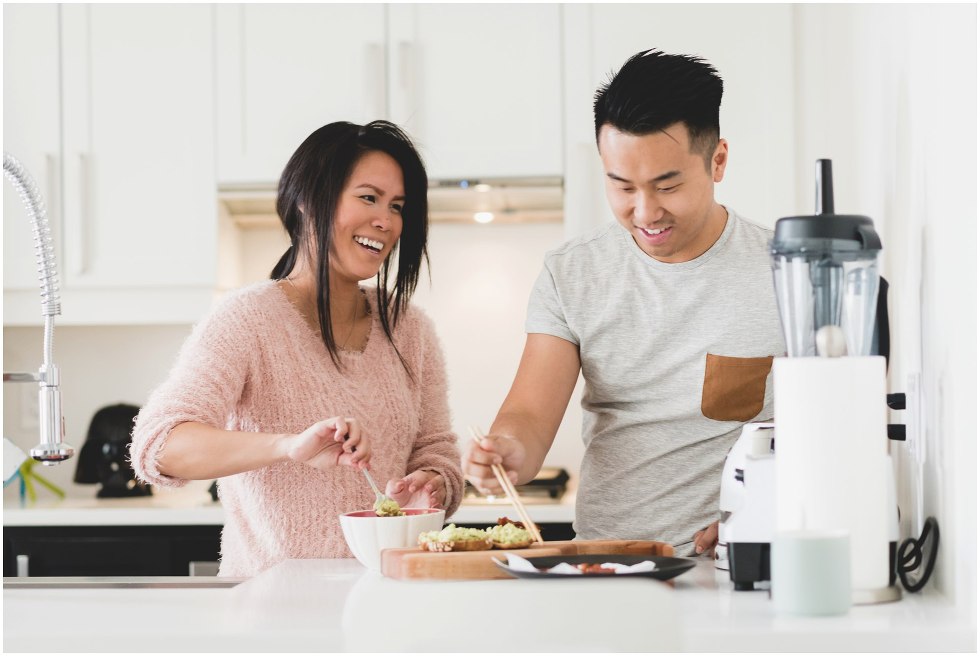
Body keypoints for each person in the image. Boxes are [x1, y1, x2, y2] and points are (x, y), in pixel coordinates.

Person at [462, 49, 785, 556]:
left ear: (718, 160)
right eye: (621, 185)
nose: (645, 210)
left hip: (735, 566)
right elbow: (529, 412)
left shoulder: (785, 273)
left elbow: (828, 434)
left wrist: (770, 514)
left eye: (668, 185)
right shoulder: (572, 272)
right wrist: (506, 452)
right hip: (605, 566)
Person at [131, 120, 463, 577]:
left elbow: (436, 451)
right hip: (271, 609)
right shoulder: (247, 319)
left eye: (398, 206)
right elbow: (159, 447)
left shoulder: (410, 329)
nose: (386, 222)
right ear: (308, 201)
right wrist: (288, 446)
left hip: (386, 599)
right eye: (368, 197)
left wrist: (433, 487)